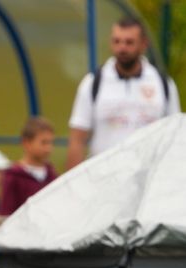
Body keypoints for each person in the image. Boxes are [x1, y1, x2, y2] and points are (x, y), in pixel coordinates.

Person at [66, 15, 180, 169]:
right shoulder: (93, 83)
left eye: (129, 42)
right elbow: (77, 139)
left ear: (144, 44)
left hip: (149, 179)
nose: (122, 48)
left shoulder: (163, 84)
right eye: (117, 41)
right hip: (103, 179)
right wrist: (73, 189)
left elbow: (175, 137)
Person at [0, 116, 58, 216]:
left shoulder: (52, 175)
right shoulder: (12, 177)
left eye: (51, 142)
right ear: (26, 143)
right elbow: (6, 215)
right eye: (44, 143)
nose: (49, 148)